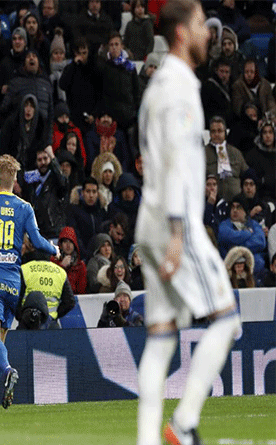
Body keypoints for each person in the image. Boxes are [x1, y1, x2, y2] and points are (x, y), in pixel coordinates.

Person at [135, 3, 241, 445]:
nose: (208, 33)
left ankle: (146, 438)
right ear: (181, 33)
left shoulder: (158, 85)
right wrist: (180, 234)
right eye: (201, 25)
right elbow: (178, 165)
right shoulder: (179, 87)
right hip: (176, 223)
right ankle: (182, 425)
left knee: (161, 338)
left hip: (150, 220)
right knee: (226, 320)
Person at [0, 155, 59, 416]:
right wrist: (56, 250)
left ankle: (9, 371)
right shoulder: (25, 207)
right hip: (13, 284)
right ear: (15, 180)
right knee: (0, 346)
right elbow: (39, 242)